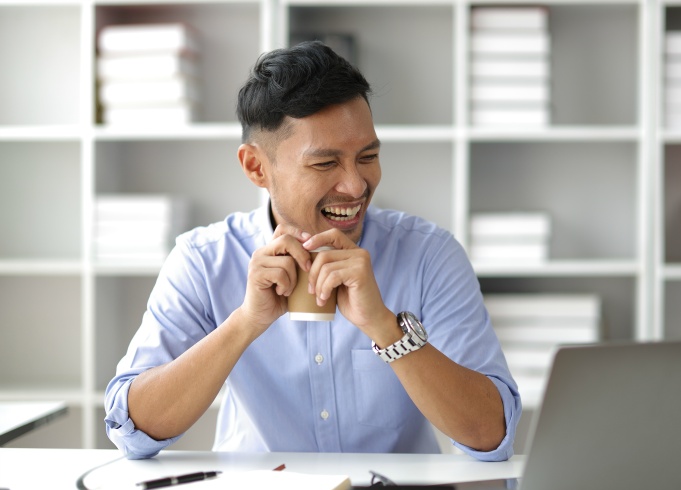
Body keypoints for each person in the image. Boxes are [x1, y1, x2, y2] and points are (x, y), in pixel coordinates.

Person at [104, 41, 521, 461]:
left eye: (368, 156)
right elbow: (133, 431)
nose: (357, 186)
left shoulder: (430, 255)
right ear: (256, 167)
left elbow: (491, 435)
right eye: (325, 164)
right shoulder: (203, 260)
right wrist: (245, 323)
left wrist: (385, 328)